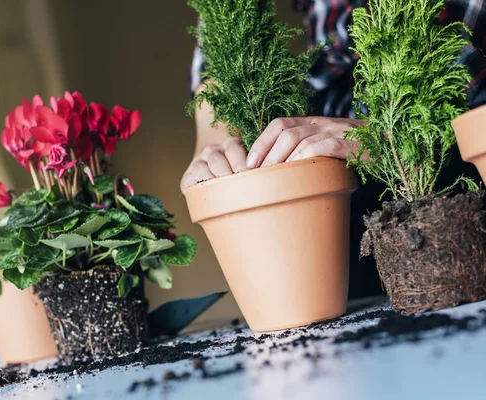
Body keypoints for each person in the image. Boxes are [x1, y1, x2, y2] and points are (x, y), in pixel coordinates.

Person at [182, 0, 486, 298]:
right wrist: (218, 146)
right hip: (332, 207)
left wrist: (393, 139)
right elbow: (226, 29)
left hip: (452, 186)